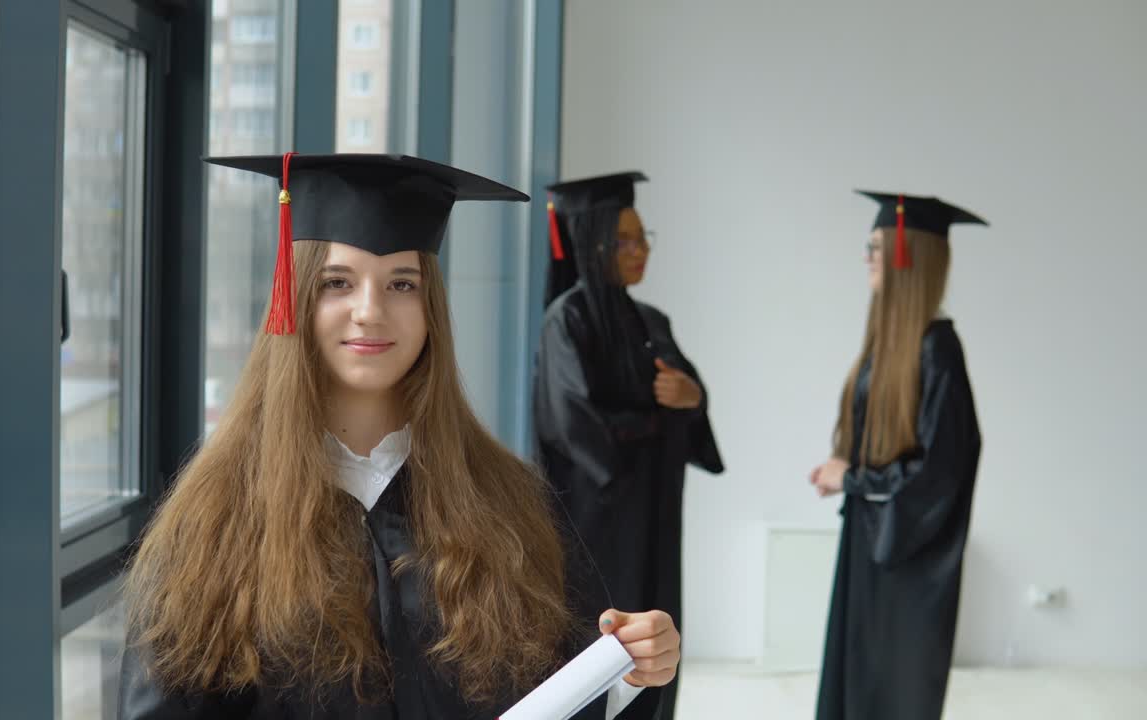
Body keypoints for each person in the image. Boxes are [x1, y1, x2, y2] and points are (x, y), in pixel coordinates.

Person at [118, 154, 682, 719]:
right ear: (296, 297)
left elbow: (564, 679)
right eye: (337, 282)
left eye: (401, 284)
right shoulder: (215, 515)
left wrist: (628, 667)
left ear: (430, 307)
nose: (370, 310)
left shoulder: (507, 501)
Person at [532, 171, 723, 719]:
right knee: (603, 640)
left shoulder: (652, 321)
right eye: (625, 241)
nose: (641, 251)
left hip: (654, 514)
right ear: (593, 244)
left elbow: (686, 396)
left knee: (657, 639)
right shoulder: (566, 321)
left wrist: (693, 398)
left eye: (643, 239)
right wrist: (657, 424)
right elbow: (573, 425)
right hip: (596, 521)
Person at [810, 191, 987, 720]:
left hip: (908, 551)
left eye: (876, 246)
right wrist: (845, 476)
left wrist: (854, 478)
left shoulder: (938, 349)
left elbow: (941, 471)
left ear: (910, 257)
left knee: (890, 687)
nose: (867, 257)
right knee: (858, 680)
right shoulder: (889, 344)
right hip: (871, 538)